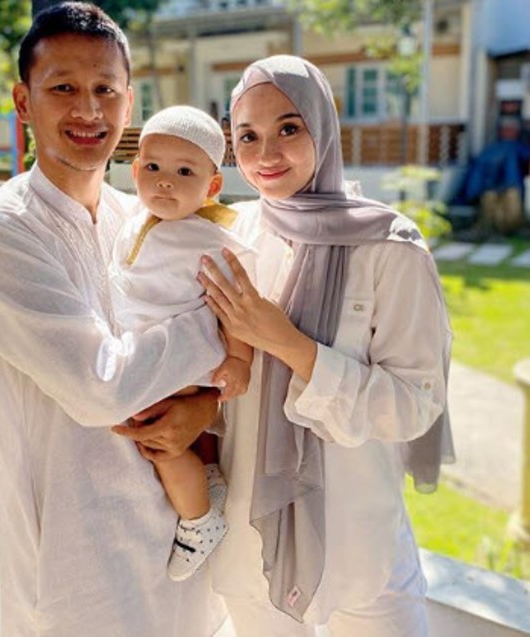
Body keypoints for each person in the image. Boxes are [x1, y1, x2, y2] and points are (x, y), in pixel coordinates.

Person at [0, 4, 233, 636]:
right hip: (80, 569)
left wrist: (206, 406)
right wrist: (219, 329)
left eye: (105, 90)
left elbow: (232, 374)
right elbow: (102, 387)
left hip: (182, 549)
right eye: (63, 89)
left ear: (129, 105)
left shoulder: (149, 221)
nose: (88, 110)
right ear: (23, 102)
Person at [197, 56, 454, 637]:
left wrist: (292, 347)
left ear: (323, 125)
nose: (266, 153)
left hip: (361, 544)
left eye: (289, 127)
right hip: (251, 540)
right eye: (248, 136)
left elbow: (415, 405)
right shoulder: (228, 237)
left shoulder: (390, 247)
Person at [109, 105, 255, 581]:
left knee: (161, 444)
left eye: (184, 172)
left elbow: (234, 304)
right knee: (160, 441)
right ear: (135, 172)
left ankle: (199, 522)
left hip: (181, 367)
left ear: (212, 186)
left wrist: (239, 358)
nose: (165, 182)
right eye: (153, 167)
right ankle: (204, 481)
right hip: (149, 354)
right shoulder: (135, 217)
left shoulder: (207, 240)